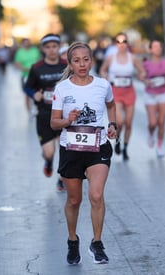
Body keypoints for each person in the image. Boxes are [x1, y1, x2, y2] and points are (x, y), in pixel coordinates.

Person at [50, 42, 116, 265]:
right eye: (76, 60)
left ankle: (97, 244)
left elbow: (112, 105)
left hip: (98, 146)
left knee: (96, 196)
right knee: (74, 200)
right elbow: (53, 123)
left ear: (91, 60)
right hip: (71, 148)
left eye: (85, 59)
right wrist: (68, 120)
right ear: (69, 63)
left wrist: (113, 124)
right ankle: (72, 240)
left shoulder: (102, 85)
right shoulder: (62, 89)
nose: (82, 64)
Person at [24, 34, 67, 191]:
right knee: (49, 152)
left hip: (63, 115)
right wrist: (33, 94)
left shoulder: (66, 65)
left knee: (65, 149)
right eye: (48, 47)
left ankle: (61, 179)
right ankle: (48, 161)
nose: (51, 50)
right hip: (44, 115)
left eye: (54, 47)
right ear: (43, 49)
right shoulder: (36, 68)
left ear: (58, 47)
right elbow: (27, 87)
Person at [99, 32, 145, 160]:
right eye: (118, 42)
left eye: (124, 41)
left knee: (129, 123)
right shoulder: (111, 58)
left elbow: (142, 71)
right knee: (119, 121)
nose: (121, 44)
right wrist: (105, 76)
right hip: (116, 91)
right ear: (115, 44)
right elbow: (102, 70)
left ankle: (125, 147)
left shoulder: (133, 58)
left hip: (129, 91)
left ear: (127, 43)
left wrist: (142, 76)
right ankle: (118, 140)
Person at [142, 39, 165, 157]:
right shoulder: (146, 63)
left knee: (161, 122)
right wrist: (146, 80)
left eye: (159, 46)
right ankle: (151, 134)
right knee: (153, 123)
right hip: (150, 94)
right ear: (150, 49)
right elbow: (141, 75)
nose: (158, 49)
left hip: (164, 93)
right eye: (155, 47)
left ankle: (159, 147)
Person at [14, 38, 41, 117]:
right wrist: (27, 69)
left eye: (28, 42)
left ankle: (36, 109)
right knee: (27, 95)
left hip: (36, 75)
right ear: (22, 44)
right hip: (26, 75)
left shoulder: (35, 50)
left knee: (38, 92)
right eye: (25, 43)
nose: (27, 44)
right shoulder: (19, 52)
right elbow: (17, 64)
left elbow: (39, 60)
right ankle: (29, 112)